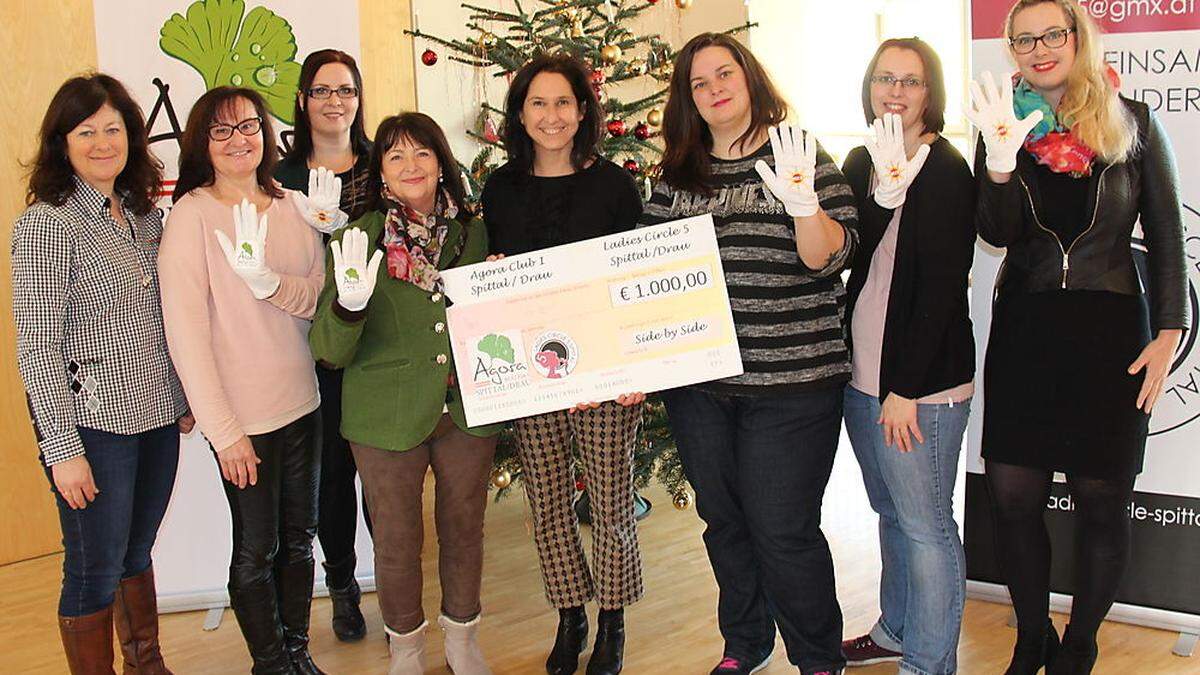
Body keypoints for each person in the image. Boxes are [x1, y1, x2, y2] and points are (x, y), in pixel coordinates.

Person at [969, 1, 1188, 672]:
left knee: (1102, 499)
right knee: (1013, 497)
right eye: (1023, 38)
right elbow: (996, 233)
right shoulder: (1000, 120)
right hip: (1027, 327)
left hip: (1110, 329)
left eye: (1051, 35)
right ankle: (1031, 634)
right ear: (1011, 48)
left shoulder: (1134, 122)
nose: (1039, 48)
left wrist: (1171, 327)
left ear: (1076, 38)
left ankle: (1083, 638)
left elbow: (1168, 233)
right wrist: (1001, 161)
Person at [641, 32, 858, 675]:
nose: (714, 90)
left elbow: (833, 258)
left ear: (750, 77)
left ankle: (818, 657)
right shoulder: (673, 176)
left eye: (724, 74)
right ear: (688, 99)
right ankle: (746, 643)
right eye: (698, 83)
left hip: (794, 383)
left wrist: (803, 205)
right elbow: (645, 278)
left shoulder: (800, 155)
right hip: (700, 386)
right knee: (725, 521)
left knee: (782, 529)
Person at [309, 112, 501, 675]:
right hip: (384, 415)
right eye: (396, 157)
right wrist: (349, 303)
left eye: (422, 153)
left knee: (465, 528)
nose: (411, 166)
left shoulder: (476, 231)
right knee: (397, 539)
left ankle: (463, 641)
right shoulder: (357, 237)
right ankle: (407, 650)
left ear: (441, 161)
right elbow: (328, 348)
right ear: (383, 175)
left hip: (466, 405)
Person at [12, 73, 191, 675]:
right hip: (92, 428)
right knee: (93, 567)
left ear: (132, 138)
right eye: (85, 131)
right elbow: (37, 348)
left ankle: (147, 665)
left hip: (157, 417)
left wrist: (184, 395)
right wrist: (62, 451)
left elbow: (168, 314)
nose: (101, 142)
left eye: (113, 128)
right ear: (62, 142)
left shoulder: (144, 216)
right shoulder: (46, 224)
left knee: (135, 552)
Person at [480, 52, 646, 675]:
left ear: (583, 111)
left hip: (604, 372)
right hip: (531, 374)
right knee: (547, 502)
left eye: (564, 103)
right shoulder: (499, 188)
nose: (552, 116)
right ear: (520, 113)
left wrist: (635, 371)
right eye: (538, 103)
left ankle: (613, 621)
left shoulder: (614, 186)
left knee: (609, 499)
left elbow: (633, 279)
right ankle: (569, 614)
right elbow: (489, 279)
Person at [158, 87, 330, 675]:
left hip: (302, 403)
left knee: (299, 539)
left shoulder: (292, 204)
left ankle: (298, 653)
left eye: (249, 126)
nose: (239, 141)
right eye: (222, 131)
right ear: (202, 143)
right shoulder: (191, 215)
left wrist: (268, 283)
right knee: (257, 549)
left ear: (267, 132)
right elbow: (186, 335)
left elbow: (314, 295)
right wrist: (223, 431)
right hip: (242, 421)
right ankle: (271, 662)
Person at [838, 38, 976, 674]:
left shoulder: (947, 169)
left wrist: (905, 388)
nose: (895, 91)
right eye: (884, 79)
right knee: (890, 513)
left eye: (911, 81)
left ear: (931, 93)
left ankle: (929, 662)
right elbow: (852, 256)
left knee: (927, 528)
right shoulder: (862, 158)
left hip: (918, 389)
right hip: (862, 377)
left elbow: (944, 289)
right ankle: (895, 630)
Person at [275, 47, 373, 642]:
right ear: (304, 100)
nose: (333, 101)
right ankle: (342, 584)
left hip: (384, 348)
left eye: (345, 89)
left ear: (358, 99)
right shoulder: (280, 176)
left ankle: (398, 586)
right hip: (314, 347)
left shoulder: (385, 162)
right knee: (332, 476)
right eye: (321, 90)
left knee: (385, 477)